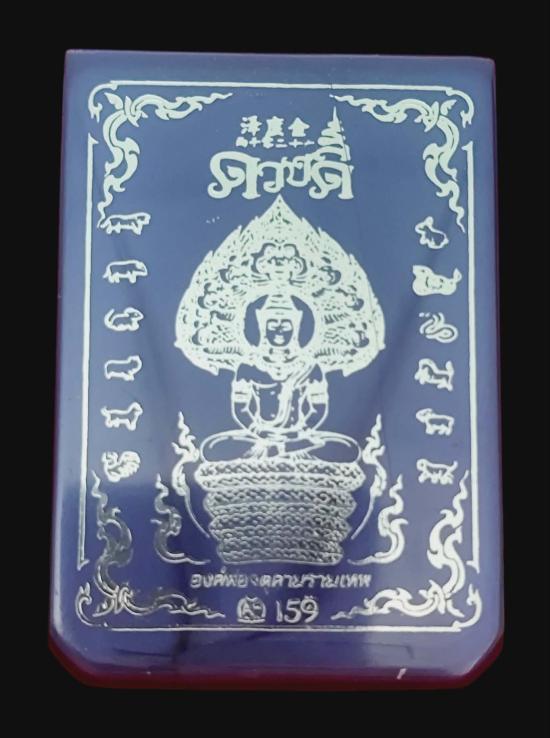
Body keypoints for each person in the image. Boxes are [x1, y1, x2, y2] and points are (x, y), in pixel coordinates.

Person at [200, 292, 360, 463]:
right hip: (261, 437)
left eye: (285, 325)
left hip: (297, 434)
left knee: (349, 449)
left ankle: (278, 451)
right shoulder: (248, 367)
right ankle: (284, 450)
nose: (279, 331)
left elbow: (318, 409)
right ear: (263, 327)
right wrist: (259, 431)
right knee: (211, 448)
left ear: (295, 328)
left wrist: (300, 432)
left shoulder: (309, 367)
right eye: (272, 325)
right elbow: (241, 409)